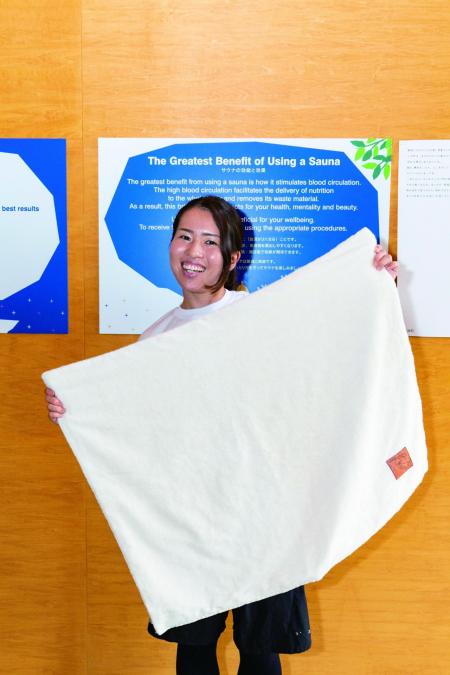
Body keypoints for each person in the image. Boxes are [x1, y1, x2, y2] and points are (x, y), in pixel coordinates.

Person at [45, 195, 399, 675]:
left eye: (210, 242)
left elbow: (327, 352)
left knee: (260, 648)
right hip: (190, 519)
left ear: (232, 259)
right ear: (171, 244)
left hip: (265, 513)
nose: (194, 251)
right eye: (185, 237)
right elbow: (140, 426)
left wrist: (374, 285)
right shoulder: (155, 338)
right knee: (194, 647)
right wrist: (77, 407)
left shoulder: (261, 316)